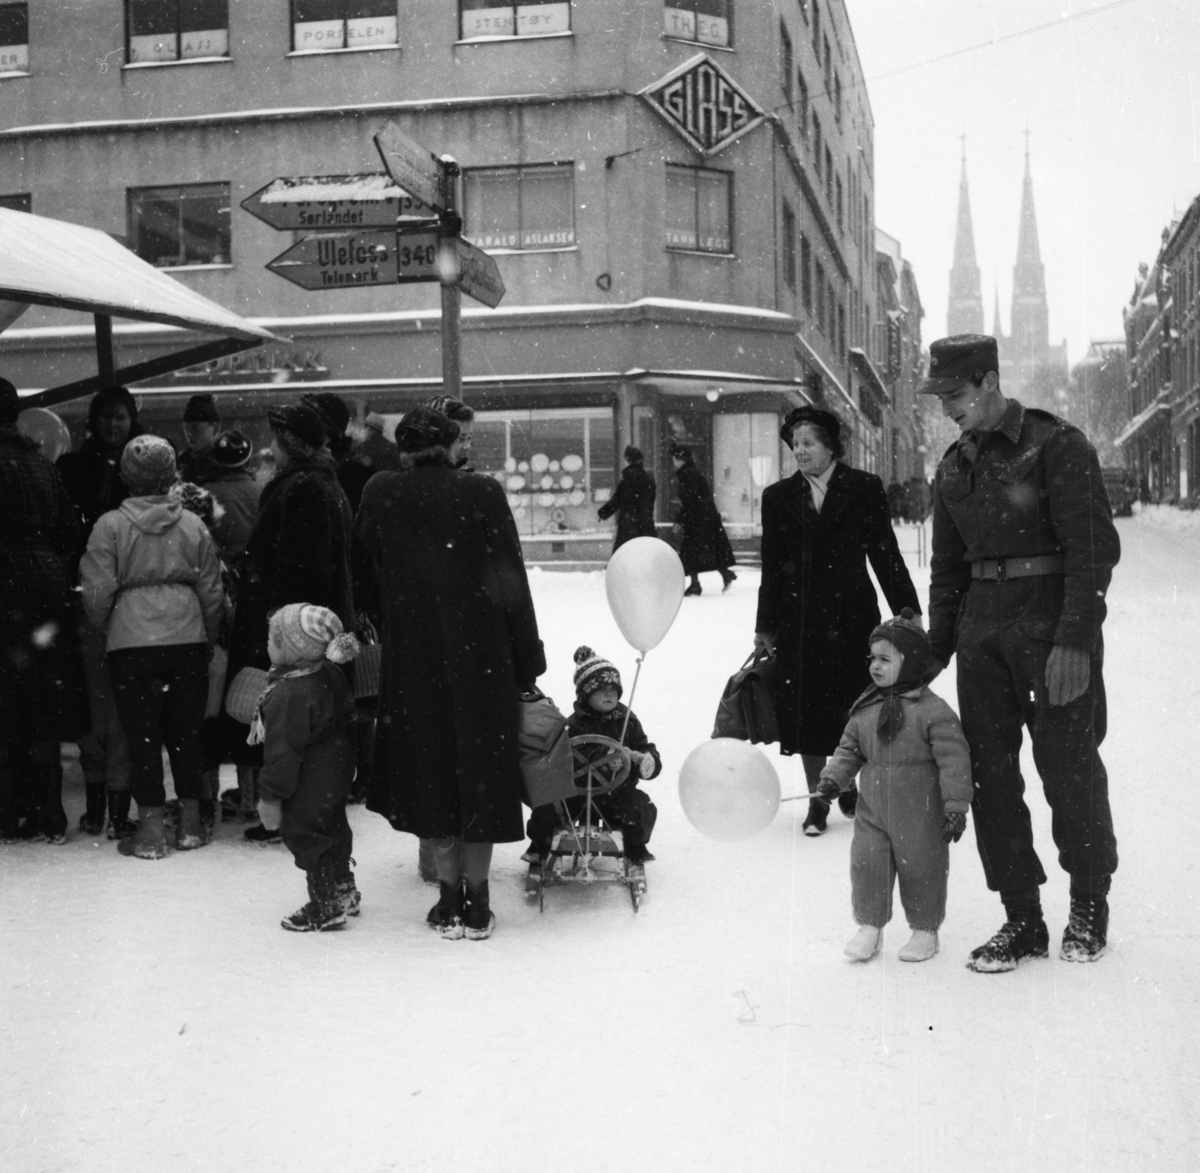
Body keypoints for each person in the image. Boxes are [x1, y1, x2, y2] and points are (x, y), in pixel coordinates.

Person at [921, 334, 1121, 971]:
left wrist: (1075, 640)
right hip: (982, 636)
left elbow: (1092, 552)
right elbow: (947, 572)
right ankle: (1022, 915)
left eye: (955, 394)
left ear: (988, 379)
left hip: (1047, 625)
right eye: (941, 397)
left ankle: (1088, 901)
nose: (947, 407)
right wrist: (935, 649)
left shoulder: (1055, 444)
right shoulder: (952, 466)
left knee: (1069, 768)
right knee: (991, 778)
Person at [355, 406, 545, 941]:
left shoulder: (380, 492)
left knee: (431, 772)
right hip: (481, 655)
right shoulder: (481, 493)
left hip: (413, 656)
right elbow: (512, 581)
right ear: (452, 443)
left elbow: (366, 567)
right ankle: (479, 901)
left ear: (404, 448)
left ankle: (446, 897)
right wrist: (527, 658)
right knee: (479, 773)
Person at [754, 405, 921, 836]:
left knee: (856, 708)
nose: (800, 450)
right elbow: (772, 566)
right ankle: (818, 800)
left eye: (809, 442)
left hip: (853, 618)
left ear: (831, 446)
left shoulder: (864, 488)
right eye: (795, 444)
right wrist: (764, 626)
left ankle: (848, 783)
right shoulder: (778, 497)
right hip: (800, 619)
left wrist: (907, 609)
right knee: (807, 713)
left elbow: (884, 553)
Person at [80, 435, 225, 858]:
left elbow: (95, 592)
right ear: (170, 476)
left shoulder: (109, 525)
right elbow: (212, 592)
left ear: (126, 477)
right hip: (188, 639)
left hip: (131, 644)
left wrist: (112, 626)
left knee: (141, 736)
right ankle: (192, 824)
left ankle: (150, 830)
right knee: (186, 733)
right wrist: (207, 636)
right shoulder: (194, 525)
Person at [223, 401, 355, 842]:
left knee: (287, 724)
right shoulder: (321, 482)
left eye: (276, 441)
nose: (271, 449)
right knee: (302, 724)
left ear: (290, 445)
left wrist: (281, 626)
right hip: (309, 622)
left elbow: (302, 567)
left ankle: (287, 814)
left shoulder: (303, 487)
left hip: (292, 628)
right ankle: (290, 810)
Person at [815, 611, 973, 963]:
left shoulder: (933, 711)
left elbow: (954, 760)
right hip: (873, 812)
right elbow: (848, 750)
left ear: (912, 661)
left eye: (885, 659)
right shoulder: (865, 709)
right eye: (872, 658)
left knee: (922, 869)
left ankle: (925, 930)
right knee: (867, 865)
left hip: (921, 813)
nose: (875, 666)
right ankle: (870, 928)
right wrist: (833, 779)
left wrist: (955, 806)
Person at [0, 378, 89, 844]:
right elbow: (70, 531)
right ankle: (50, 811)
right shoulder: (41, 465)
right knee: (44, 700)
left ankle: (5, 812)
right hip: (45, 586)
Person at [56, 385, 141, 838]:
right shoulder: (72, 468)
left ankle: (112, 799)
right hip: (86, 596)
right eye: (107, 416)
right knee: (95, 699)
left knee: (116, 701)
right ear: (93, 420)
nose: (113, 424)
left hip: (128, 600)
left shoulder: (146, 471)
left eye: (121, 417)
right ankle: (99, 802)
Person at [253, 604, 360, 932]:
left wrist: (270, 797)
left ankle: (325, 905)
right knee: (334, 825)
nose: (268, 644)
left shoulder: (290, 692)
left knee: (309, 834)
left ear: (295, 649)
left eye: (274, 638)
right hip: (337, 765)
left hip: (309, 777)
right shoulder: (328, 673)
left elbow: (282, 754)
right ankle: (343, 888)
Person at [523, 645, 662, 878]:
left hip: (616, 792)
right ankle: (540, 846)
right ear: (586, 694)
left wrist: (647, 761)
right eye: (602, 690)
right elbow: (560, 761)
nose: (610, 694)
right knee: (548, 806)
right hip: (575, 794)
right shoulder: (572, 724)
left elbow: (643, 747)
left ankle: (635, 847)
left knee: (639, 806)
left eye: (613, 689)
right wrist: (600, 760)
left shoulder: (627, 720)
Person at [671, 444, 736, 595]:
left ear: (680, 459)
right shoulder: (691, 473)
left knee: (693, 551)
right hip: (703, 518)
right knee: (706, 549)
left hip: (697, 519)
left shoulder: (687, 475)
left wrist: (679, 519)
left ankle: (696, 584)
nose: (673, 462)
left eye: (674, 459)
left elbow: (689, 500)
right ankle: (723, 574)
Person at [205, 429, 262, 571]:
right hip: (253, 570)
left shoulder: (205, 493)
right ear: (248, 460)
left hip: (217, 571)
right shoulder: (261, 490)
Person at [598, 445, 657, 552]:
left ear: (627, 460)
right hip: (646, 523)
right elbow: (651, 500)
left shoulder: (629, 477)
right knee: (645, 554)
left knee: (624, 554)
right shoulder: (648, 478)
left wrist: (603, 513)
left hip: (630, 523)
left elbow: (619, 498)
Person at [177, 393, 222, 486]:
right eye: (186, 428)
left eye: (195, 428)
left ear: (215, 429)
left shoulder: (225, 462)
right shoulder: (182, 462)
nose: (189, 434)